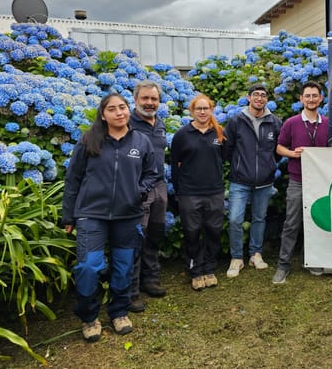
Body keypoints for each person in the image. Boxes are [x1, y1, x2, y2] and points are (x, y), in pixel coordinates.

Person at [62, 93, 158, 342]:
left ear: (128, 110)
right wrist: (68, 216)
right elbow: (73, 179)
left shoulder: (142, 141)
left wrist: (138, 191)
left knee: (124, 266)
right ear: (103, 115)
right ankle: (89, 317)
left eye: (123, 107)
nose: (119, 112)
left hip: (128, 215)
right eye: (112, 109)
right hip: (91, 214)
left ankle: (118, 312)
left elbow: (152, 173)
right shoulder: (89, 141)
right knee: (88, 267)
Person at [272, 82, 329, 284]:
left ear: (321, 98)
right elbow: (279, 148)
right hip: (298, 181)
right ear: (301, 99)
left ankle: (312, 260)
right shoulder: (292, 123)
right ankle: (283, 265)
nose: (311, 99)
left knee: (317, 222)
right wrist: (292, 153)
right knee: (291, 223)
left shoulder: (328, 123)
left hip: (322, 183)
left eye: (315, 95)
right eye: (307, 96)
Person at [224, 83, 282, 278]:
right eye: (255, 95)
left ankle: (255, 254)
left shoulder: (275, 122)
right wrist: (239, 166)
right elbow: (227, 149)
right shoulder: (235, 121)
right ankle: (237, 258)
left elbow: (278, 150)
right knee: (234, 219)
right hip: (239, 180)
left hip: (265, 181)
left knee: (259, 219)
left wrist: (269, 166)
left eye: (263, 95)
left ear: (267, 99)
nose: (259, 98)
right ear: (248, 98)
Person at [171, 94, 226, 291]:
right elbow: (174, 165)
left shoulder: (219, 133)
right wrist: (179, 190)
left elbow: (224, 159)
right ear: (192, 111)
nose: (202, 112)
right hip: (189, 193)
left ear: (211, 110)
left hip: (214, 192)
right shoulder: (182, 135)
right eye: (198, 109)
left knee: (213, 231)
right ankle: (195, 271)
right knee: (192, 232)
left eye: (206, 108)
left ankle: (210, 269)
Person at [129, 80, 168, 313]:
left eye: (154, 99)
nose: (150, 103)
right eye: (145, 98)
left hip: (160, 185)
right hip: (138, 187)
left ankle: (150, 280)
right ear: (136, 100)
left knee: (155, 233)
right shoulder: (129, 124)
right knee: (135, 238)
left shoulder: (159, 124)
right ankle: (131, 291)